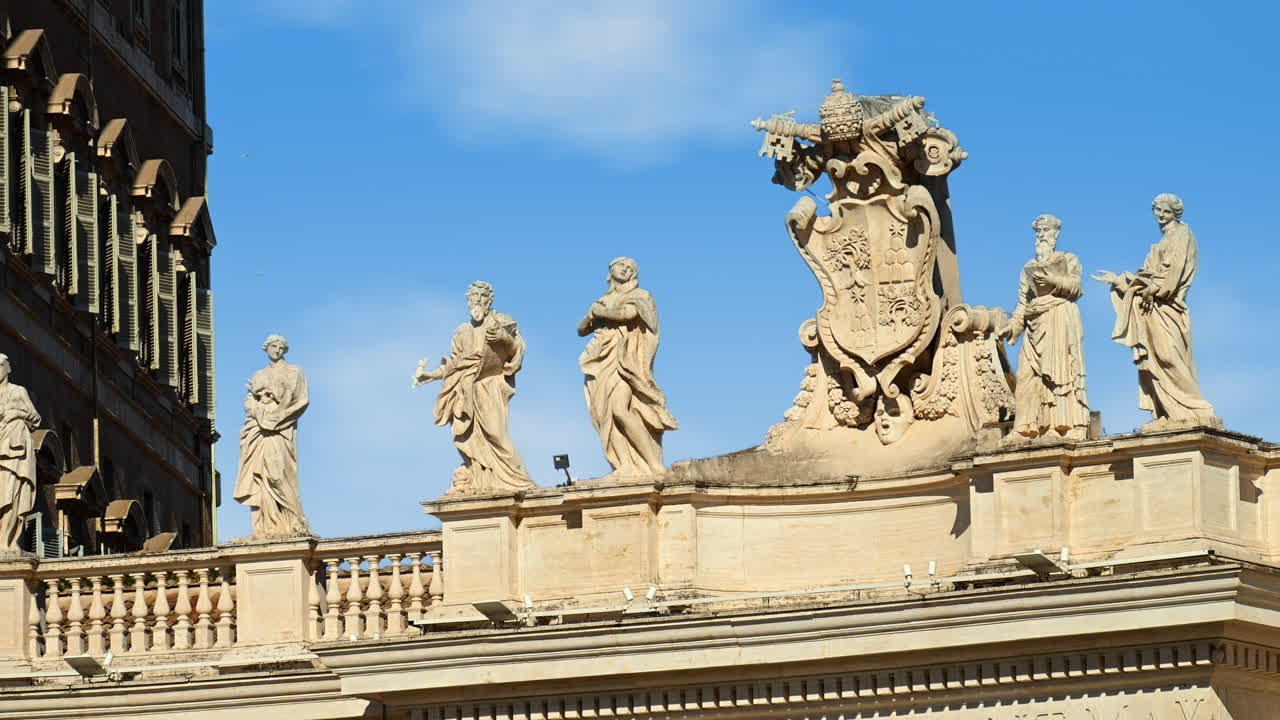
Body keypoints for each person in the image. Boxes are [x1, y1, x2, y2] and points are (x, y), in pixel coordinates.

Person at [1093, 194, 1215, 424]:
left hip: (1168, 306)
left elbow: (1174, 272)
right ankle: (1168, 411)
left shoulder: (1182, 234)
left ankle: (1197, 408)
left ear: (1175, 213)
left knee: (1169, 356)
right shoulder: (1158, 245)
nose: (1160, 215)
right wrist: (1120, 282)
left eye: (1166, 211)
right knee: (1155, 359)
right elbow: (1146, 276)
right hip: (1152, 308)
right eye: (1157, 210)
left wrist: (1153, 290)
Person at [414, 282, 533, 494]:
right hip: (467, 389)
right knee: (471, 438)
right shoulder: (462, 332)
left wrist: (505, 338)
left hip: (491, 385)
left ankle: (518, 482)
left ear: (489, 300)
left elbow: (517, 352)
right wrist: (430, 375)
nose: (477, 300)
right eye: (473, 297)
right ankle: (481, 479)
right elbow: (453, 364)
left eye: (482, 296)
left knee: (496, 434)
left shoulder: (502, 322)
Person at [577, 257, 679, 476]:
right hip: (602, 360)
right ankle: (624, 465)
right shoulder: (603, 299)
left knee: (620, 410)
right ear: (610, 271)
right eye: (620, 265)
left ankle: (653, 464)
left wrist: (600, 313)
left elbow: (627, 314)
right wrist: (590, 316)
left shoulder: (640, 296)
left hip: (625, 360)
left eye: (629, 267)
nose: (624, 268)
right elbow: (581, 329)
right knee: (606, 415)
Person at [1002, 215, 1089, 440]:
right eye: (1038, 231)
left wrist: (1053, 282)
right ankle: (1025, 428)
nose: (1041, 235)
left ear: (1055, 234)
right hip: (1033, 323)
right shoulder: (1028, 268)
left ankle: (1059, 426)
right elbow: (1022, 303)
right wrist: (1012, 326)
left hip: (1058, 318)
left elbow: (1076, 288)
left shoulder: (1068, 259)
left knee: (1059, 374)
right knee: (1027, 376)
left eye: (1046, 230)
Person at [234, 334, 311, 537]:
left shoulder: (294, 371)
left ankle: (295, 520)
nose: (276, 350)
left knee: (278, 475)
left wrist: (274, 416)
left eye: (280, 346)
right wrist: (257, 410)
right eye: (273, 346)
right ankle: (266, 527)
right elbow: (249, 402)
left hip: (279, 430)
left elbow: (301, 401)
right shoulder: (259, 374)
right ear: (266, 348)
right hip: (258, 431)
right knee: (261, 478)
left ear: (285, 349)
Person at [0, 355, 40, 551]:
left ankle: (7, 541)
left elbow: (35, 418)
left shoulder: (18, 391)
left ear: (6, 368)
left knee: (12, 493)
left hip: (16, 452)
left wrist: (16, 413)